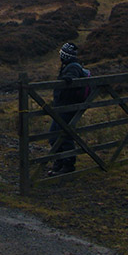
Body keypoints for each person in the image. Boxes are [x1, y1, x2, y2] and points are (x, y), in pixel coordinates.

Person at [47, 42, 87, 176]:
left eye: (61, 54)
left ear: (65, 55)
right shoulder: (70, 66)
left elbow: (74, 81)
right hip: (63, 107)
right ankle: (60, 163)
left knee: (63, 135)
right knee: (55, 135)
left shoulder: (73, 67)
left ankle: (68, 165)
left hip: (67, 107)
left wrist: (67, 80)